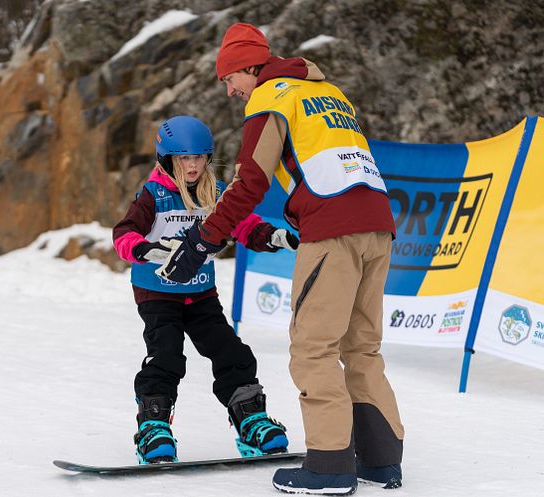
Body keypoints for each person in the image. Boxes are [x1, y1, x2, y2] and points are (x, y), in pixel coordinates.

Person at [155, 24, 404, 494]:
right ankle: (381, 460)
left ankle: (330, 466)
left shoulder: (271, 97)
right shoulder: (328, 92)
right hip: (378, 224)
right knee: (361, 347)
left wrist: (205, 240)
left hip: (333, 231)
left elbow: (250, 182)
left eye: (230, 78)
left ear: (250, 67)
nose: (230, 91)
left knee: (313, 347)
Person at [113, 115, 299, 464]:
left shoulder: (215, 192)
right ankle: (153, 427)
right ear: (168, 158)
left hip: (201, 293)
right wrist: (143, 250)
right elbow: (123, 234)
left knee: (231, 352)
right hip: (157, 293)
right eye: (185, 158)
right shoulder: (152, 195)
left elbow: (244, 225)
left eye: (199, 157)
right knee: (166, 355)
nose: (193, 165)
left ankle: (251, 421)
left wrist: (271, 236)